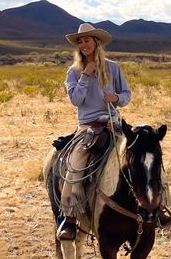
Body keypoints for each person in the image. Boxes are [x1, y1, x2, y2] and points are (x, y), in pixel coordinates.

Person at [56, 22, 132, 241]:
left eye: (87, 40)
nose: (83, 44)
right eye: (80, 41)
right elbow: (75, 100)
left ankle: (155, 207)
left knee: (144, 156)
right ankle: (70, 219)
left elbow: (127, 94)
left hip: (114, 125)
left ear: (96, 43)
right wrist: (86, 76)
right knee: (75, 167)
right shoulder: (74, 72)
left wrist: (116, 98)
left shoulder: (113, 68)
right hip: (88, 127)